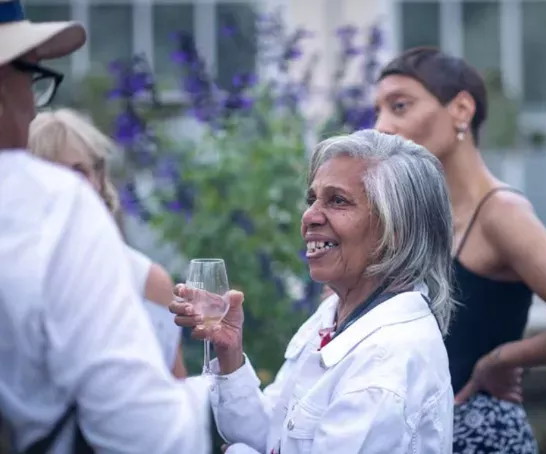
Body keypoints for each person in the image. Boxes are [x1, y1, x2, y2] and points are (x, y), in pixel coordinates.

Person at [374, 47, 546, 453]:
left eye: (399, 106)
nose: (382, 126)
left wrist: (502, 360)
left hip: (480, 435)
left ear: (461, 109)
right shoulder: (419, 217)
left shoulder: (501, 213)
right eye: (378, 111)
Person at [0, 1, 210, 452]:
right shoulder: (48, 207)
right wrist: (209, 398)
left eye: (85, 169)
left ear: (102, 173)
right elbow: (150, 435)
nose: (33, 108)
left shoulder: (144, 272)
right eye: (31, 78)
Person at [171, 129, 456, 453]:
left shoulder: (384, 363)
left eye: (337, 200)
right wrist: (230, 353)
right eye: (312, 199)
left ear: (396, 229)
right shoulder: (335, 314)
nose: (309, 217)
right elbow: (270, 434)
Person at [28, 108, 187, 378]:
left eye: (79, 172)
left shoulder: (145, 279)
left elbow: (176, 391)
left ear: (100, 178)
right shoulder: (13, 272)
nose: (69, 186)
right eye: (52, 173)